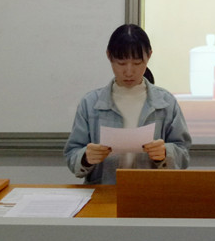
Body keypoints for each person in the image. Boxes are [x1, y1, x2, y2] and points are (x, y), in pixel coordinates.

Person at [64, 24, 191, 183]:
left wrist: (166, 153)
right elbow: (71, 154)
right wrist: (85, 157)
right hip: (104, 191)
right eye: (121, 63)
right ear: (109, 56)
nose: (129, 72)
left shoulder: (166, 103)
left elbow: (184, 154)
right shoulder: (90, 103)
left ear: (149, 56)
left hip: (150, 191)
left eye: (137, 63)